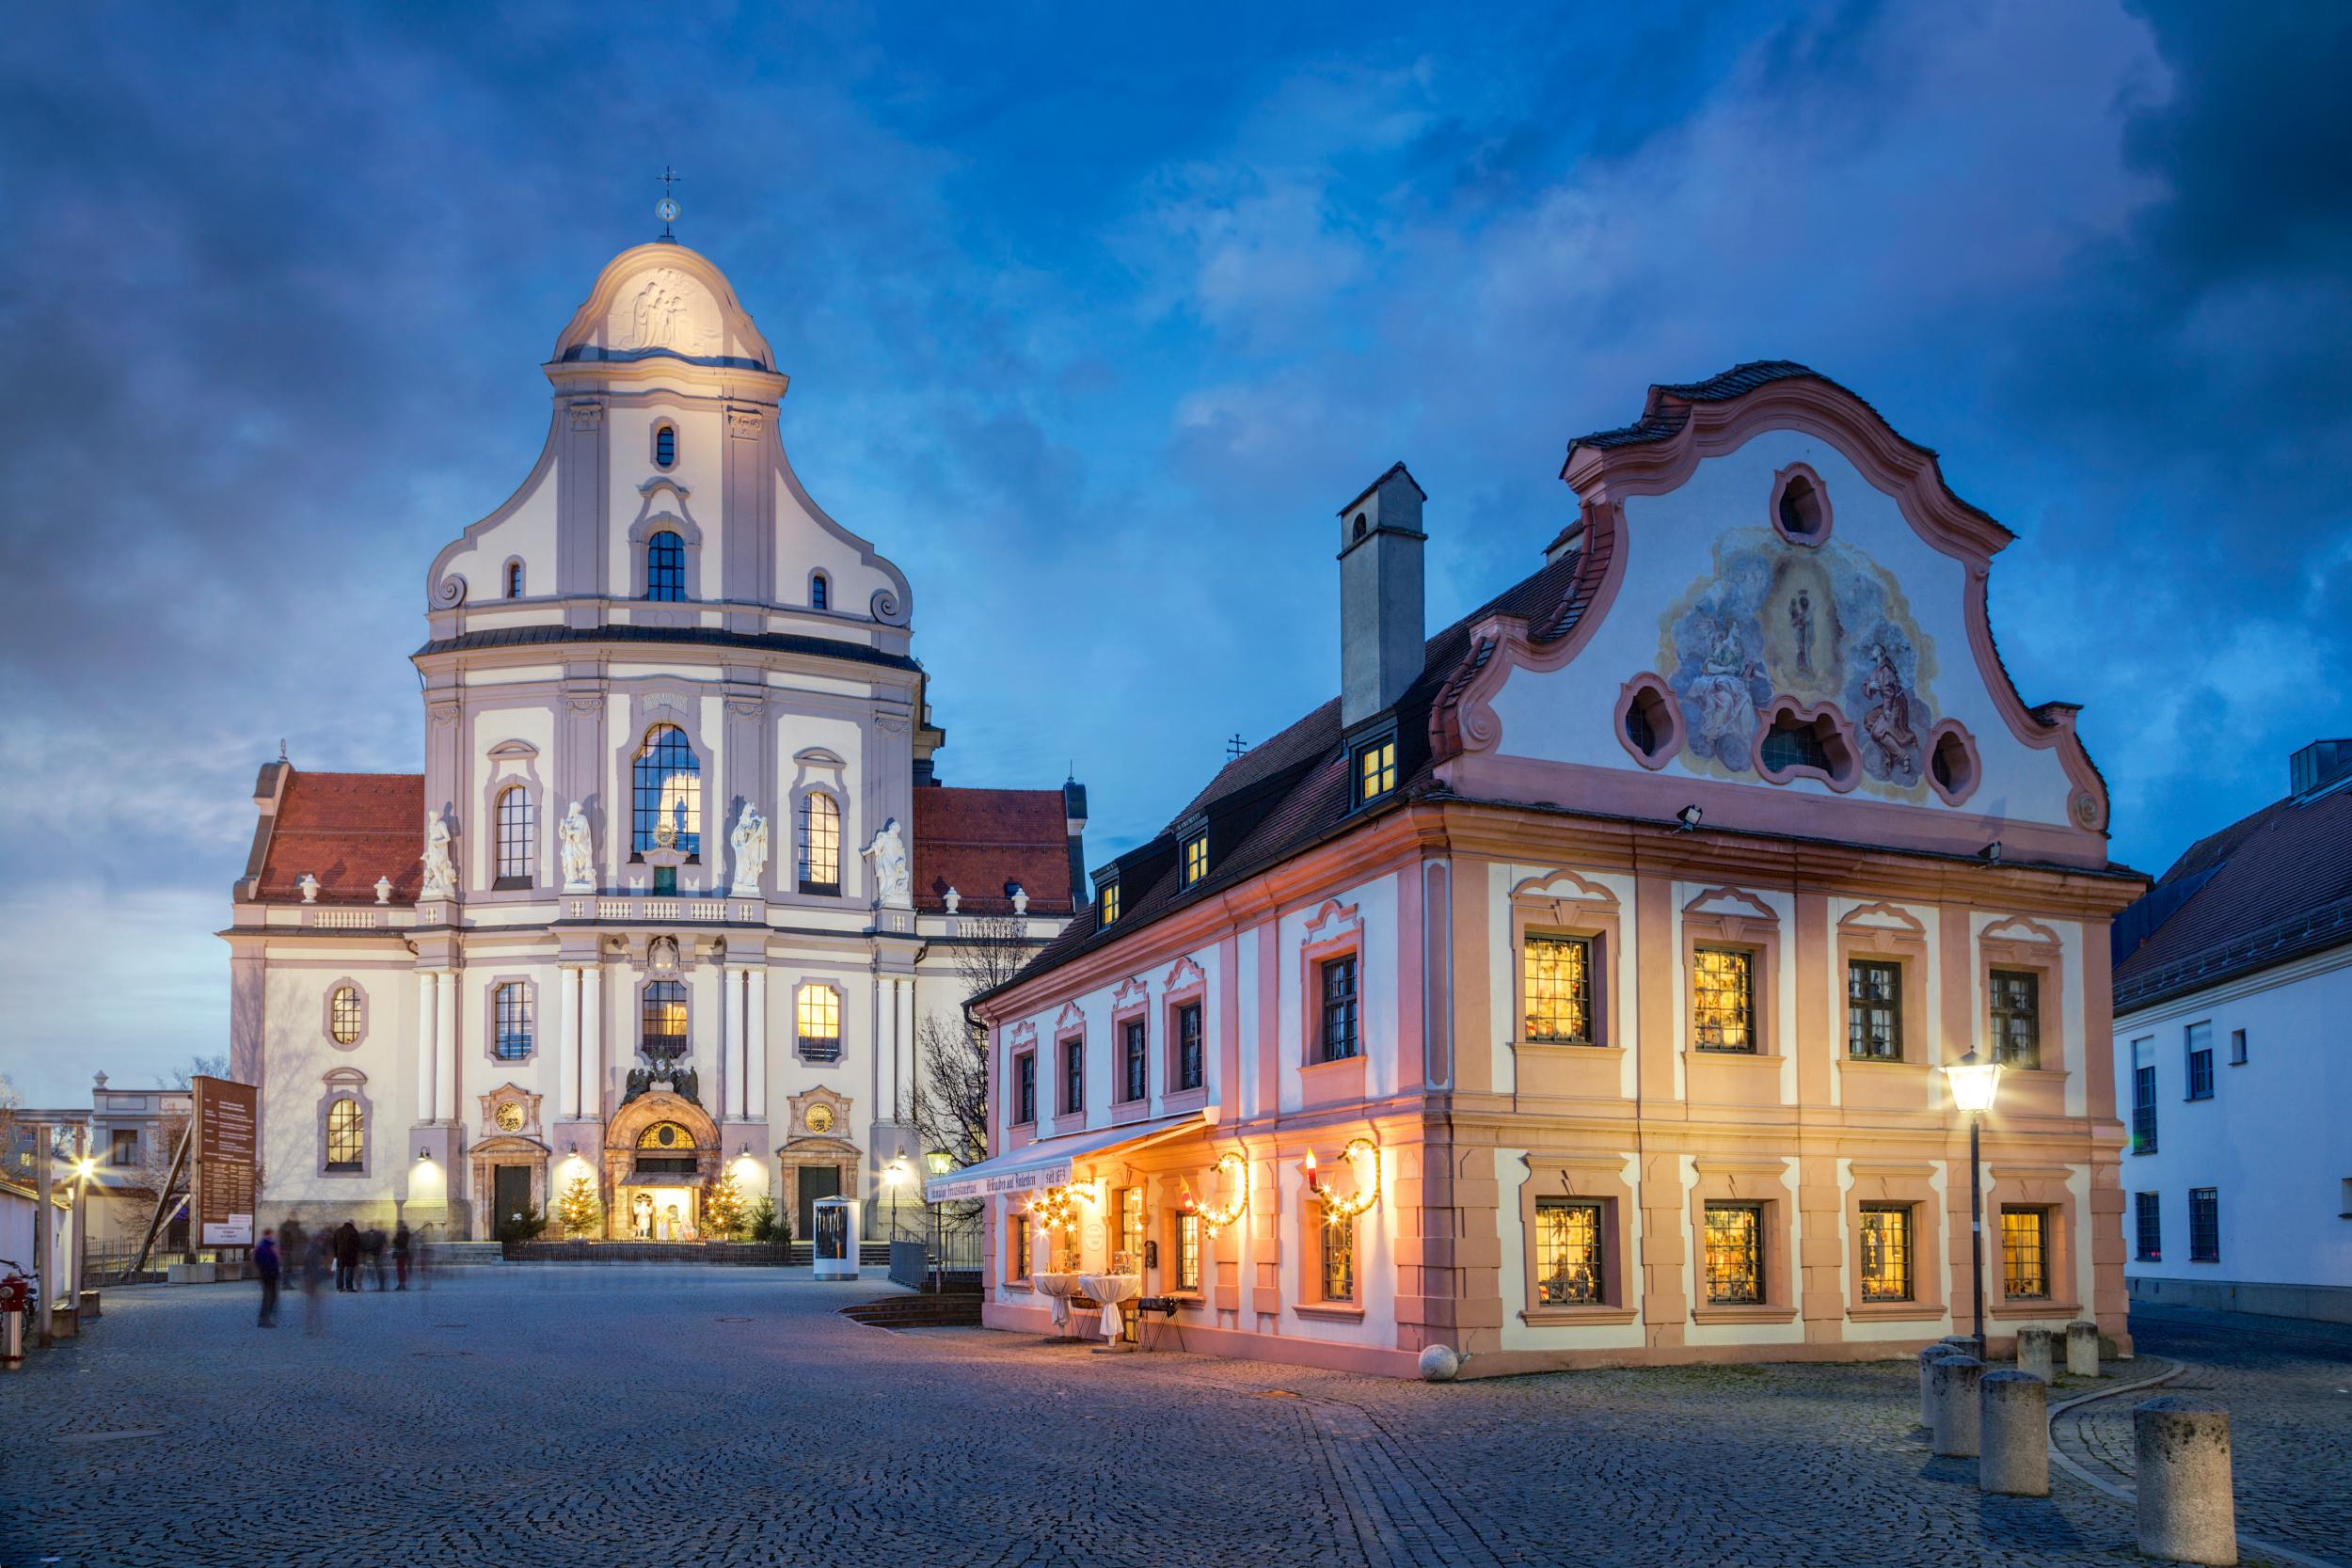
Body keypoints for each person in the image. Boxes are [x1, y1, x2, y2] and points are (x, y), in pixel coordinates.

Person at [253, 1230, 280, 1328]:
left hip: (269, 1275)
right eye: (271, 1235)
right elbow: (267, 1263)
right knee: (268, 1298)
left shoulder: (266, 1246)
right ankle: (264, 1319)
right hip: (268, 1276)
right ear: (267, 1235)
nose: (272, 1237)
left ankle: (265, 1318)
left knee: (270, 1298)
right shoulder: (265, 1247)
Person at [332, 1220, 360, 1293]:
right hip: (351, 1254)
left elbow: (334, 1243)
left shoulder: (338, 1231)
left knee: (339, 1271)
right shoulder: (354, 1231)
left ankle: (339, 1287)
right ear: (352, 1224)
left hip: (340, 1254)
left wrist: (336, 1254)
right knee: (349, 1271)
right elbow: (357, 1244)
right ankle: (349, 1287)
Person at [362, 1226, 387, 1291]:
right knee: (378, 1269)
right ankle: (381, 1285)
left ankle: (380, 1285)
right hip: (375, 1254)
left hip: (376, 1255)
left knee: (378, 1269)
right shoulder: (379, 1235)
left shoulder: (377, 1236)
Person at [390, 1222, 411, 1291]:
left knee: (400, 1269)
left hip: (401, 1252)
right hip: (403, 1251)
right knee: (401, 1268)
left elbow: (398, 1242)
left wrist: (395, 1240)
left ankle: (401, 1283)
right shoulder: (405, 1233)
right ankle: (402, 1283)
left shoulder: (401, 1233)